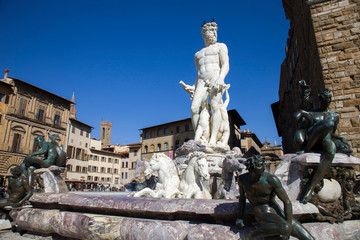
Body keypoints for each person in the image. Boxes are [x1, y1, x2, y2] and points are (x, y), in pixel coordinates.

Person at [236, 155, 314, 240]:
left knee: (310, 238)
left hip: (277, 211)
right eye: (260, 166)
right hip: (262, 212)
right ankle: (249, 237)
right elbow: (242, 198)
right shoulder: (242, 179)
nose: (263, 168)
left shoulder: (271, 179)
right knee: (285, 227)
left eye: (263, 165)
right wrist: (240, 217)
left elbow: (287, 202)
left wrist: (288, 225)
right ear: (251, 168)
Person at [294, 88, 344, 203]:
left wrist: (341, 142)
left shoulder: (335, 116)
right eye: (324, 99)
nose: (326, 101)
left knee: (331, 150)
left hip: (324, 141)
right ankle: (307, 149)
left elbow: (332, 134)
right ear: (320, 100)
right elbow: (297, 116)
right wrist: (304, 99)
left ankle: (310, 188)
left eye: (328, 99)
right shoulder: (312, 114)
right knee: (328, 123)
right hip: (311, 140)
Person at [191, 20, 230, 145]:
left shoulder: (221, 46)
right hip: (202, 81)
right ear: (204, 33)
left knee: (215, 106)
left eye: (215, 30)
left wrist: (221, 78)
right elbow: (198, 73)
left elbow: (225, 64)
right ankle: (200, 138)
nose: (214, 33)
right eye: (211, 30)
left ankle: (213, 139)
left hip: (215, 77)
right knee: (194, 108)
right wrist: (193, 87)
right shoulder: (197, 54)